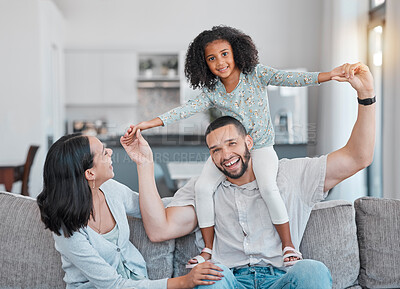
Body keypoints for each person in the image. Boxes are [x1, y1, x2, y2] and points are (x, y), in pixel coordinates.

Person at [120, 62, 376, 288]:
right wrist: (144, 163)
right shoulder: (204, 188)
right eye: (216, 150)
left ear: (249, 142)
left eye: (232, 143)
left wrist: (366, 96)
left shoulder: (291, 175)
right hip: (229, 278)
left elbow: (358, 157)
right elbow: (158, 230)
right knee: (209, 276)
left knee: (313, 270)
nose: (225, 155)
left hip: (282, 277)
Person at [124, 25, 346, 267]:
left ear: (236, 52)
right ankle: (208, 250)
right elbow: (183, 111)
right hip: (231, 149)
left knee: (269, 188)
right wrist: (148, 124)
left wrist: (329, 75)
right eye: (211, 58)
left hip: (259, 148)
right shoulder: (213, 92)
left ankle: (288, 245)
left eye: (224, 54)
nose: (220, 62)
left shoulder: (256, 74)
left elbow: (290, 78)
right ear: (204, 64)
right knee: (202, 188)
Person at [36, 134, 232, 289]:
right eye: (104, 152)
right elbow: (114, 285)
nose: (111, 152)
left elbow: (153, 208)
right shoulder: (67, 231)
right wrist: (184, 281)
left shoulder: (111, 190)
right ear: (90, 173)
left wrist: (204, 198)